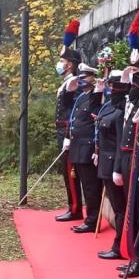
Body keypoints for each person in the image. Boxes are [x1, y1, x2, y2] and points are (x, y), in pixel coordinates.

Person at [115, 9, 139, 279]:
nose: (133, 82)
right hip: (129, 159)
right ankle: (134, 255)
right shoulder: (132, 98)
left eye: (137, 77)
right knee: (132, 212)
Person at [95, 69, 129, 259]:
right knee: (118, 209)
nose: (110, 88)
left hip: (113, 166)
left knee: (120, 210)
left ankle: (119, 247)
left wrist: (117, 169)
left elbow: (119, 143)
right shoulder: (109, 106)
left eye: (113, 85)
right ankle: (119, 245)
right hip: (104, 163)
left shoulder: (121, 110)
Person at [66, 63, 103, 233]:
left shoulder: (96, 97)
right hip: (76, 146)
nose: (81, 81)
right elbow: (72, 117)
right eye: (80, 77)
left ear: (93, 78)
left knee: (91, 186)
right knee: (83, 185)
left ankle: (92, 220)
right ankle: (89, 217)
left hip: (87, 148)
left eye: (85, 78)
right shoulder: (81, 97)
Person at [54, 19, 83, 222]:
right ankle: (71, 205)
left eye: (63, 61)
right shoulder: (66, 82)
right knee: (66, 172)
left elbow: (73, 112)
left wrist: (68, 135)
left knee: (71, 172)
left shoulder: (73, 83)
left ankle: (75, 208)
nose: (60, 64)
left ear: (70, 64)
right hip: (61, 131)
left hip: (67, 132)